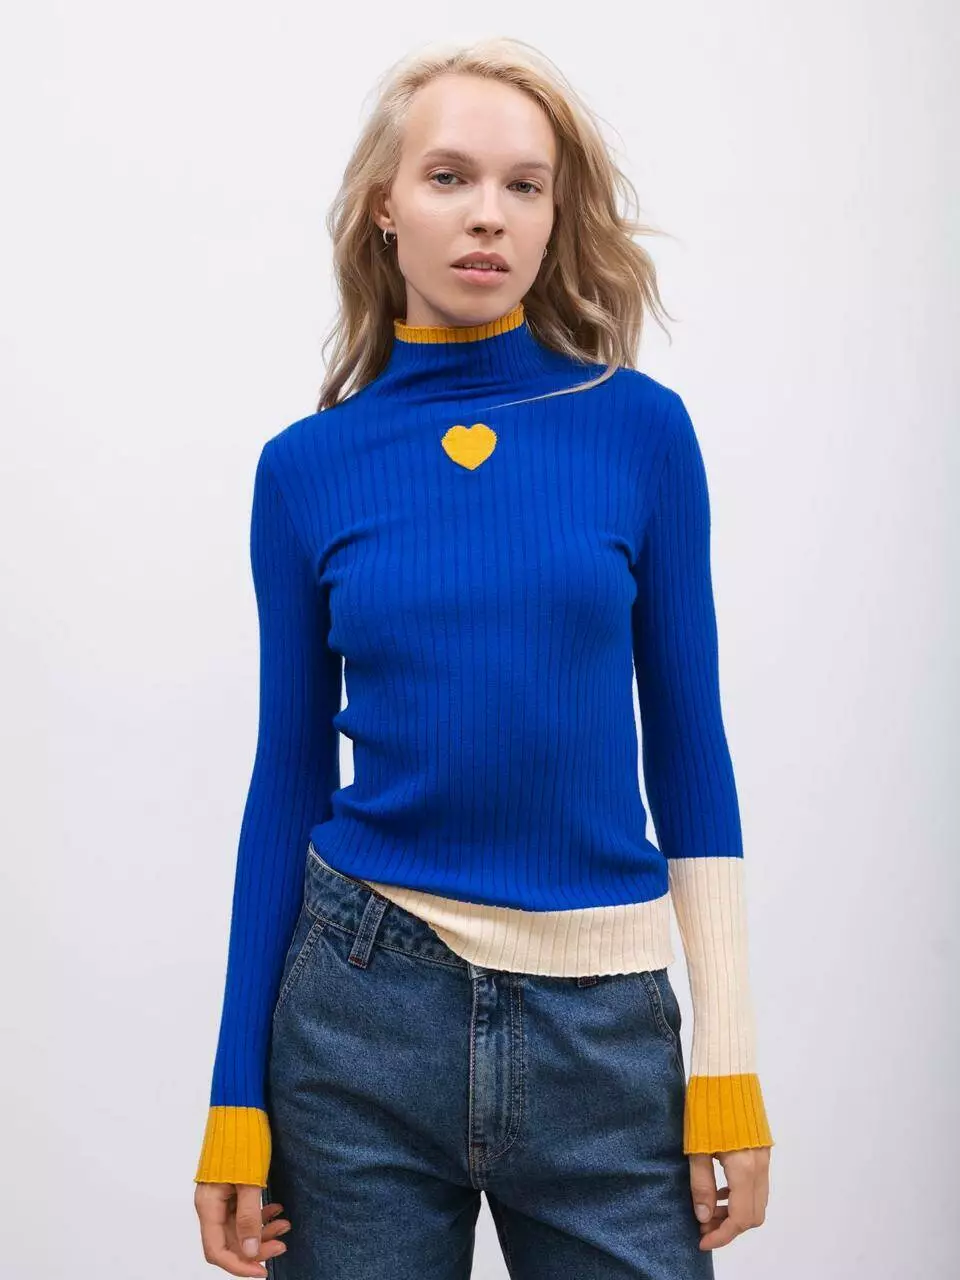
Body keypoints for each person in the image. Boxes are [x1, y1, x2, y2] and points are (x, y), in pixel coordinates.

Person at [193, 35, 774, 1280]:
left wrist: (726, 1062)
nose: (488, 215)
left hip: (603, 1026)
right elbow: (286, 780)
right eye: (449, 176)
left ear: (556, 217)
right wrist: (235, 1092)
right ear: (384, 206)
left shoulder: (640, 431)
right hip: (359, 1009)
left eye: (525, 185)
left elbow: (691, 750)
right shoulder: (306, 468)